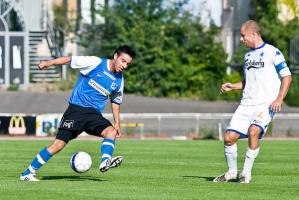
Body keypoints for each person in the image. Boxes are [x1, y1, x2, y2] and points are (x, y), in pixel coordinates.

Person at [20, 45, 135, 181]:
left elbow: (115, 101)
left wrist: (117, 123)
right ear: (115, 56)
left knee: (111, 132)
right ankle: (28, 173)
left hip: (94, 115)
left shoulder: (119, 80)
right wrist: (48, 63)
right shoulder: (95, 63)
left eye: (128, 63)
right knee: (58, 145)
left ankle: (105, 161)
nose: (125, 66)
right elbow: (70, 60)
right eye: (123, 61)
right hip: (76, 110)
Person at [213, 20, 292, 184]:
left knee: (253, 131)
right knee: (229, 137)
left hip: (265, 104)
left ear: (254, 34)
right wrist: (232, 86)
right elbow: (248, 81)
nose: (241, 39)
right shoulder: (248, 56)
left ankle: (245, 174)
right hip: (246, 105)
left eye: (243, 36)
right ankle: (231, 173)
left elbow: (287, 76)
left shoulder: (273, 52)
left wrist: (279, 99)